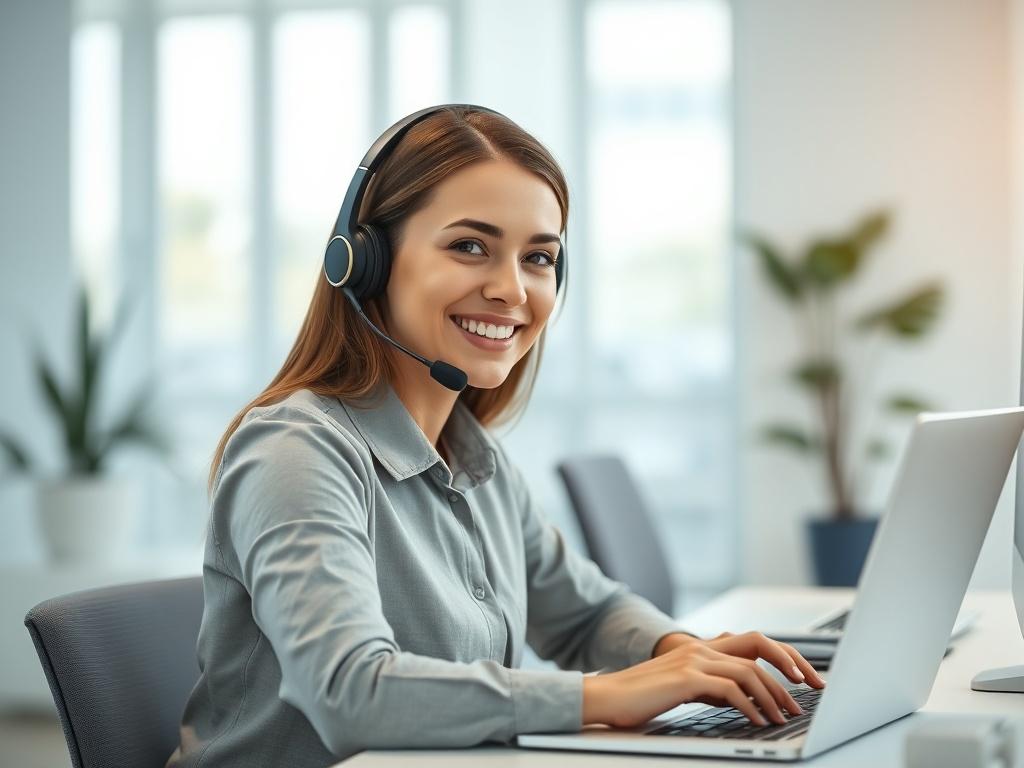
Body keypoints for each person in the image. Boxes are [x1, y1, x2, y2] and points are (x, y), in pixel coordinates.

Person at [166, 105, 824, 767]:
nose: (512, 289)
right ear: (365, 261)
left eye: (539, 257)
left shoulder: (476, 458)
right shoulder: (296, 451)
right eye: (470, 246)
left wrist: (681, 654)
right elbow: (348, 691)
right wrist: (606, 696)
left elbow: (585, 614)